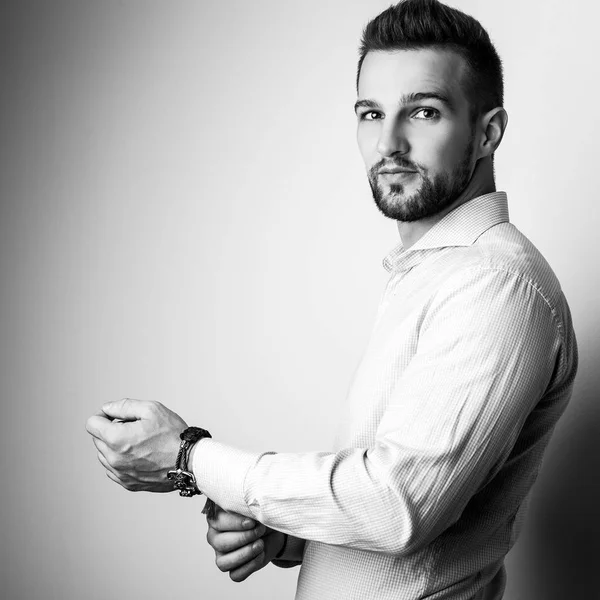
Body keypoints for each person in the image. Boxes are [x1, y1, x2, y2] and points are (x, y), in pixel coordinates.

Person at [85, 1, 578, 598]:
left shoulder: (496, 284)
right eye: (371, 114)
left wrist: (190, 456)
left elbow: (399, 505)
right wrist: (288, 535)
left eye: (423, 111)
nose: (388, 142)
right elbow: (408, 514)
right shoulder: (433, 275)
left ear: (487, 132)